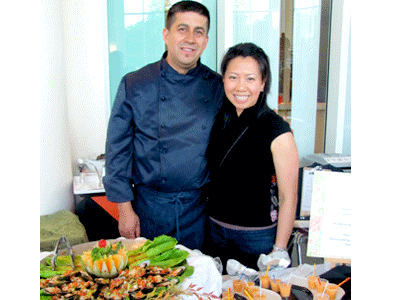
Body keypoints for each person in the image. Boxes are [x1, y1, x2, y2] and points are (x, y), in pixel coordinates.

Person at [103, 1, 224, 250]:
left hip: (200, 211)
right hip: (149, 210)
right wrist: (124, 210)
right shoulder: (135, 84)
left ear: (206, 40)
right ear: (166, 35)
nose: (190, 38)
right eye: (182, 29)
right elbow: (118, 152)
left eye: (198, 31)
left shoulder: (218, 86)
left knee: (198, 284)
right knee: (150, 283)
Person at [205, 43, 299, 272]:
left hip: (256, 239)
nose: (240, 87)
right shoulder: (219, 121)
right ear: (224, 80)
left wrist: (279, 248)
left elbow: (288, 197)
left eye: (250, 78)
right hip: (215, 231)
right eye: (233, 77)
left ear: (262, 83)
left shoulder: (277, 130)